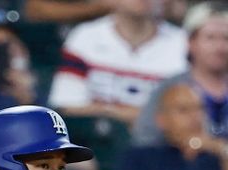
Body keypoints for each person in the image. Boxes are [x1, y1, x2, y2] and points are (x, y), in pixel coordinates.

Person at [48, 0, 187, 124]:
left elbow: (183, 117)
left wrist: (104, 112)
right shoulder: (84, 37)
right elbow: (66, 107)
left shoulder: (184, 45)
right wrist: (131, 116)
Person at [112, 83, 228, 170]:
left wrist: (222, 151)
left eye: (200, 109)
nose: (195, 117)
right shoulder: (141, 155)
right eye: (184, 110)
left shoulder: (218, 154)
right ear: (161, 120)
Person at [133, 1, 228, 146]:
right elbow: (145, 137)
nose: (220, 47)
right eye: (210, 38)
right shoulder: (170, 88)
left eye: (226, 38)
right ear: (191, 43)